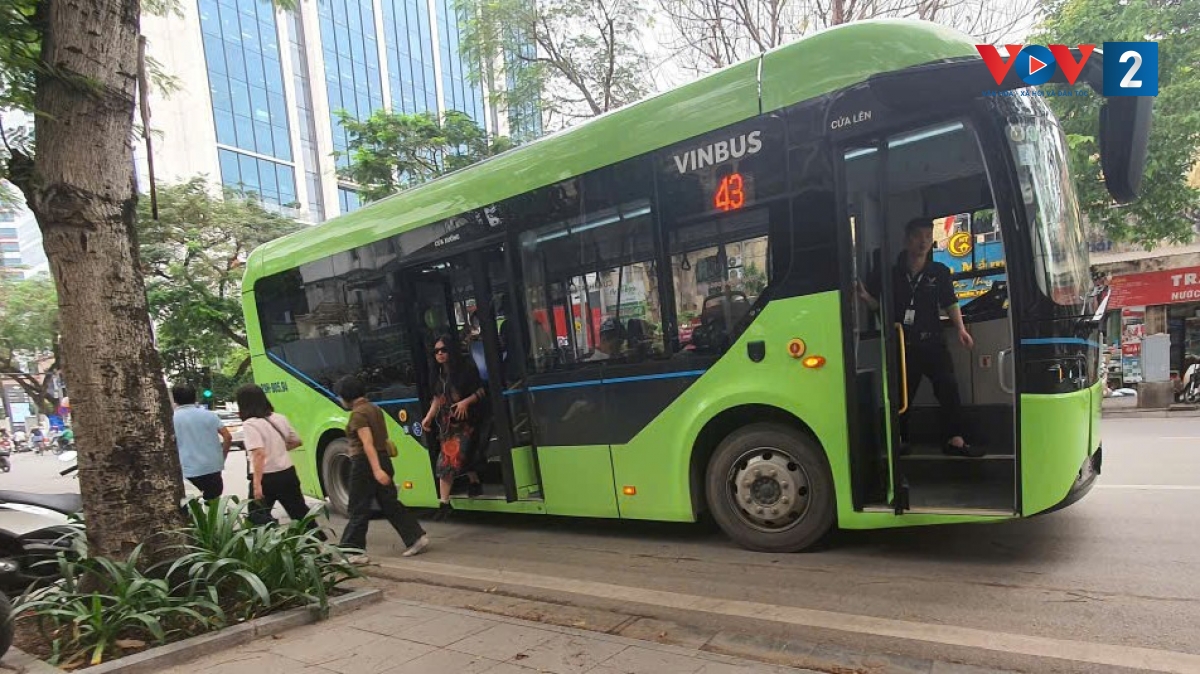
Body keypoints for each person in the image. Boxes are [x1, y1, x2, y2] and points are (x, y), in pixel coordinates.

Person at [859, 218, 983, 457]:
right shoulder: (891, 274)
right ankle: (900, 439)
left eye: (928, 236)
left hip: (933, 342)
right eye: (918, 236)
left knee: (948, 387)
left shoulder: (939, 272)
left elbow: (950, 302)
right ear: (907, 240)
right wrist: (865, 298)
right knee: (901, 395)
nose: (923, 242)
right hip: (903, 343)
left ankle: (954, 439)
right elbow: (880, 308)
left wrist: (961, 329)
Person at [334, 375, 429, 563]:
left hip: (365, 463)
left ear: (347, 395)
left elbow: (367, 443)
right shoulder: (374, 408)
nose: (339, 400)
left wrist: (376, 470)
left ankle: (353, 551)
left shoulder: (358, 414)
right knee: (389, 503)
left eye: (340, 396)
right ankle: (416, 537)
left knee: (358, 507)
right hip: (383, 458)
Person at [236, 384, 323, 535]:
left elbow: (259, 454)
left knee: (257, 517)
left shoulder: (250, 424)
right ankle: (316, 541)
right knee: (299, 512)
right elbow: (296, 441)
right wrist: (278, 449)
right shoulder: (279, 418)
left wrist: (257, 485)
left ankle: (264, 544)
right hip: (287, 473)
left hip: (266, 478)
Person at [422, 334, 486, 518]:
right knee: (460, 454)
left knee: (448, 459)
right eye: (436, 351)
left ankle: (444, 503)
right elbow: (437, 399)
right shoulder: (438, 375)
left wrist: (465, 402)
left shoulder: (466, 369)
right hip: (447, 424)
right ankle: (474, 482)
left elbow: (482, 391)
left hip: (465, 422)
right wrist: (428, 417)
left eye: (444, 350)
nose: (440, 354)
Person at [171, 384, 232, 501]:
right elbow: (227, 437)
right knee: (213, 504)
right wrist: (222, 457)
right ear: (195, 397)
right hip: (212, 468)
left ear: (175, 399)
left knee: (193, 505)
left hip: (187, 471)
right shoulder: (209, 415)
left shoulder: (172, 419)